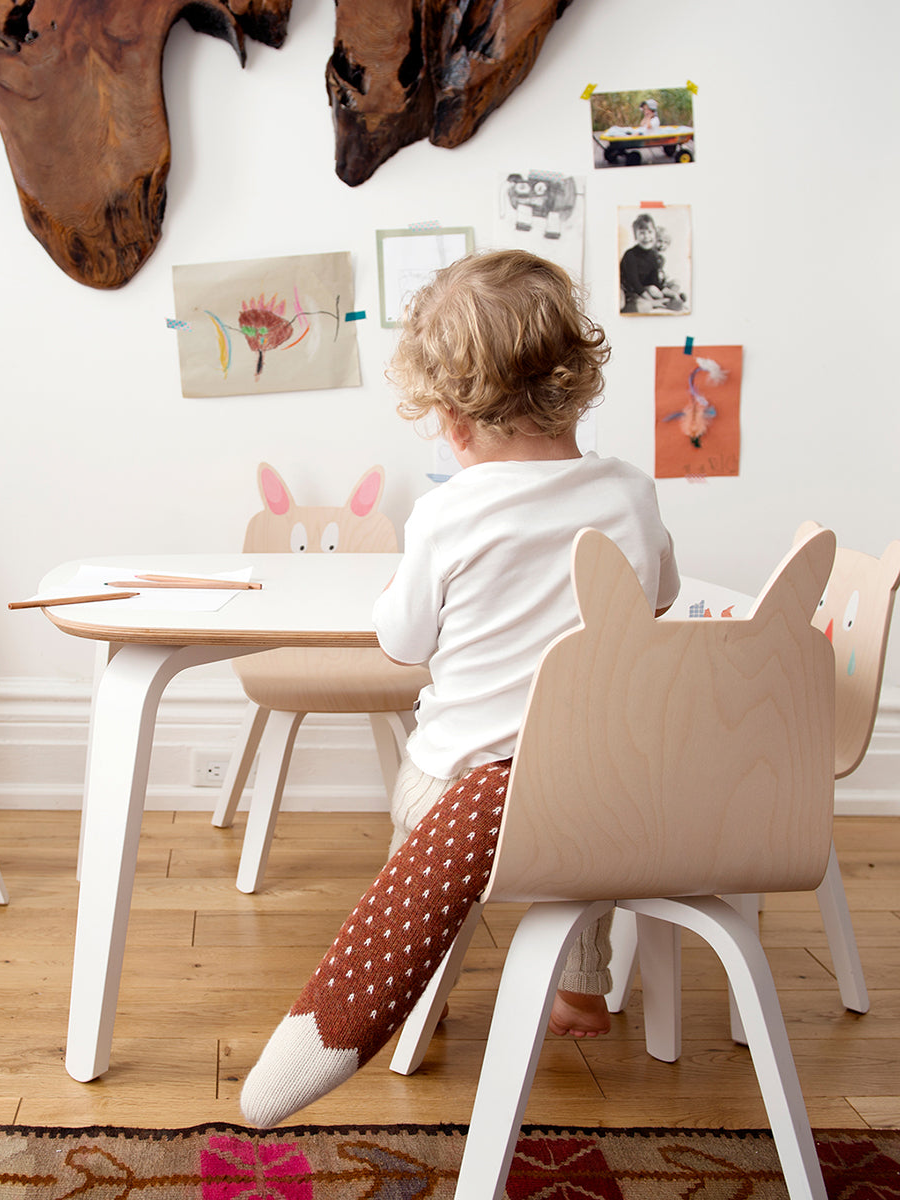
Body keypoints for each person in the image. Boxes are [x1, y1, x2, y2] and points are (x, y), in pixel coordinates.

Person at [240, 250, 679, 1128]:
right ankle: (582, 992)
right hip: (600, 793)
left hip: (459, 788)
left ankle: (420, 980)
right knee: (576, 846)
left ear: (450, 418)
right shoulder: (631, 492)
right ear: (577, 382)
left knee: (434, 805)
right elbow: (659, 596)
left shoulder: (448, 512)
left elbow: (403, 643)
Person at [620, 211, 667, 312]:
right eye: (642, 233)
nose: (646, 237)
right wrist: (652, 301)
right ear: (635, 236)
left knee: (655, 291)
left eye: (650, 232)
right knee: (625, 303)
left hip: (642, 288)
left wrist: (665, 293)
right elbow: (634, 283)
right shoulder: (630, 255)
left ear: (655, 234)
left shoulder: (654, 255)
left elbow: (655, 281)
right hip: (627, 289)